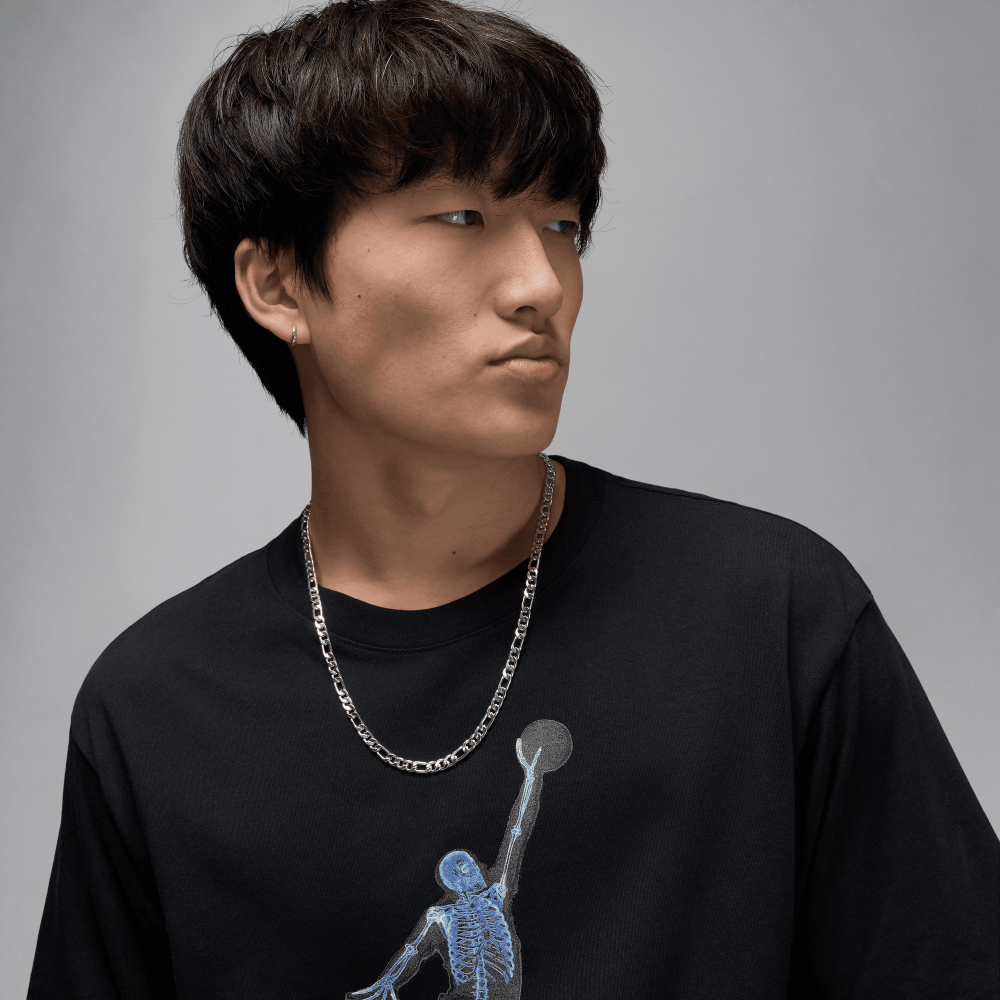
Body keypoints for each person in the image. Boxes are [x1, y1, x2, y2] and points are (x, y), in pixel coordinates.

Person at [28, 0, 998, 997]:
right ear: (278, 283)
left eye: (562, 225)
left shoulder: (773, 615)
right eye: (462, 218)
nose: (543, 282)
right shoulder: (152, 709)